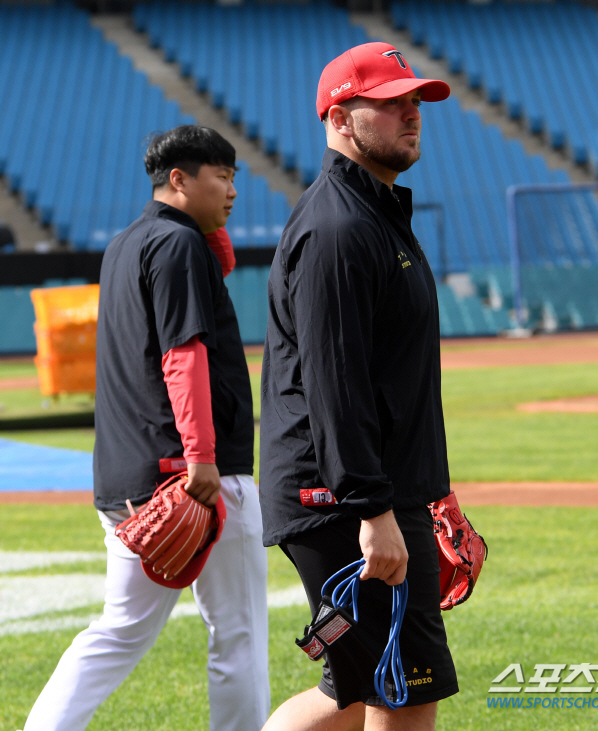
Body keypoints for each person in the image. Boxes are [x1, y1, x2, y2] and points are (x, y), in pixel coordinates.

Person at [22, 125, 269, 731]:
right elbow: (183, 355)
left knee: (118, 630)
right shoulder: (178, 245)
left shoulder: (126, 244)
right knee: (237, 633)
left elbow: (216, 271)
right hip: (194, 477)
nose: (233, 190)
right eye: (222, 176)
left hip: (128, 480)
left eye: (234, 176)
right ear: (179, 179)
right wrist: (201, 456)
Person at [259, 43, 455, 731]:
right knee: (404, 687)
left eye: (416, 100)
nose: (413, 113)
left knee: (354, 686)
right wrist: (374, 512)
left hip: (367, 490)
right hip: (344, 499)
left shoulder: (371, 215)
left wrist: (428, 490)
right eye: (393, 102)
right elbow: (334, 384)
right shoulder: (338, 228)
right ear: (340, 118)